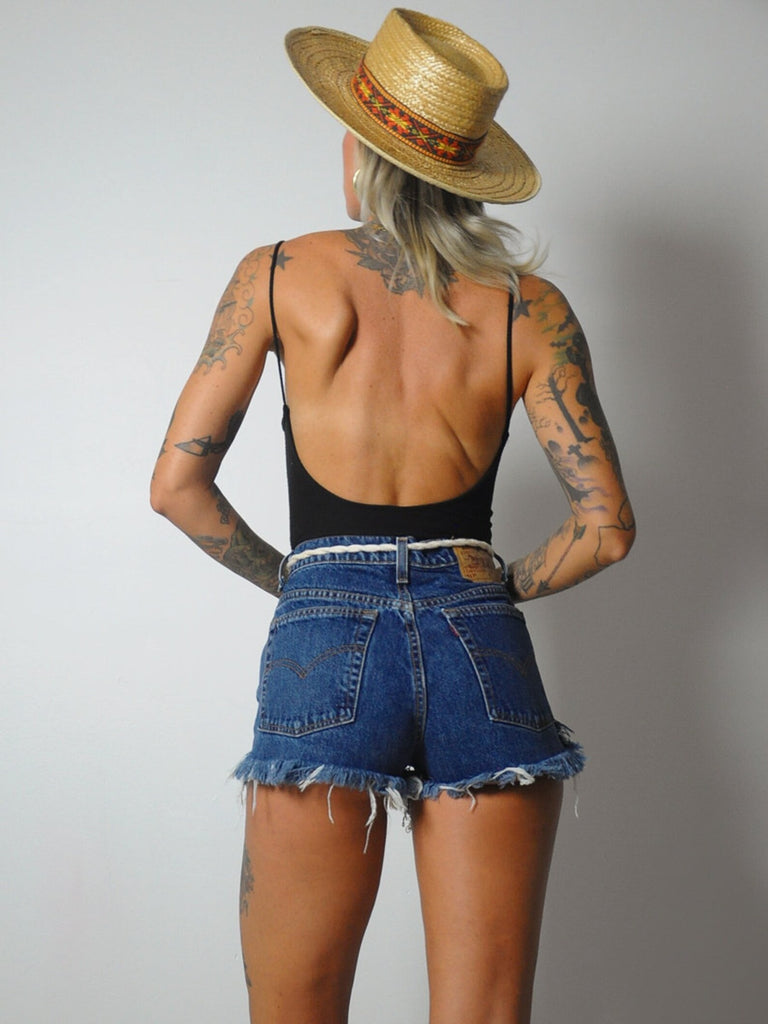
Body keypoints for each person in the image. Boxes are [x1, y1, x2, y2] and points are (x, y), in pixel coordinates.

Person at [150, 9, 635, 1024]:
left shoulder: (278, 274)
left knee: (296, 1008)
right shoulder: (528, 306)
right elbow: (604, 526)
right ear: (467, 170)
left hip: (323, 632)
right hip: (479, 638)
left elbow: (177, 486)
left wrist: (301, 582)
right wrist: (492, 587)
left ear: (359, 153)